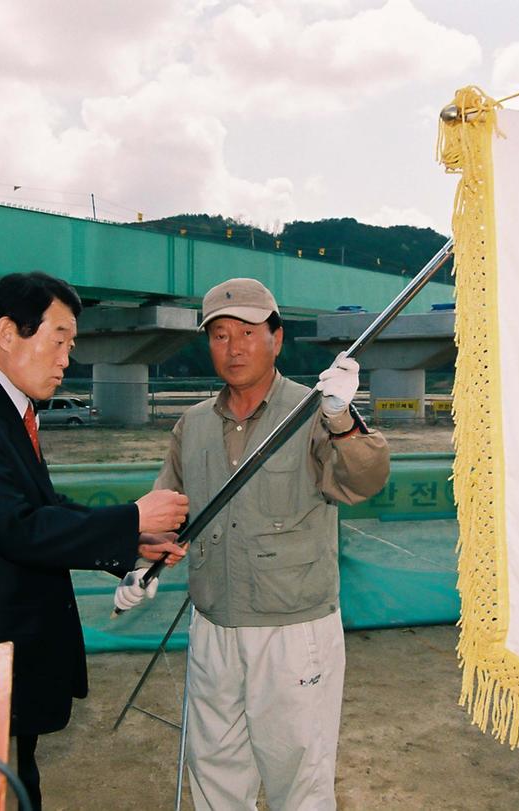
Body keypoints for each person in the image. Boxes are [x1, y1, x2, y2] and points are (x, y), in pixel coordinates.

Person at [0, 272, 190, 809]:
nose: (66, 359)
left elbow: (43, 507)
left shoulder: (2, 408)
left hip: (5, 656)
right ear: (9, 332)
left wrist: (132, 542)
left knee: (16, 782)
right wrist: (131, 516)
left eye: (71, 345)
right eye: (58, 341)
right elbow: (20, 528)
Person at [114, 278, 391, 810]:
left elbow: (365, 480)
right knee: (215, 770)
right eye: (219, 335)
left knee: (300, 780)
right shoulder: (191, 425)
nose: (234, 346)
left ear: (277, 339)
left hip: (293, 630)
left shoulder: (314, 413)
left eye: (247, 331)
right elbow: (167, 511)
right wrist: (140, 564)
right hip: (213, 623)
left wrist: (341, 419)